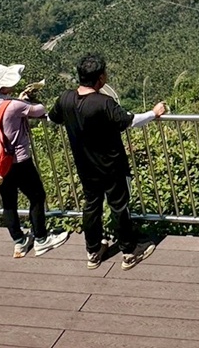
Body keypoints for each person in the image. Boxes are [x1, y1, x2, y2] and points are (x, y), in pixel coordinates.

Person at [49, 52, 169, 270]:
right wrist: (154, 112)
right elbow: (129, 121)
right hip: (111, 165)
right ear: (101, 78)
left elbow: (52, 117)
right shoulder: (103, 102)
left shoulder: (65, 99)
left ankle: (93, 252)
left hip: (85, 165)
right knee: (119, 206)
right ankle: (129, 252)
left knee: (91, 206)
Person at [0, 63, 70, 258]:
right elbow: (39, 110)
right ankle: (41, 239)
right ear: (3, 86)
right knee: (36, 196)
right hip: (19, 160)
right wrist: (25, 99)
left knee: (9, 203)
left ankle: (19, 242)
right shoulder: (14, 105)